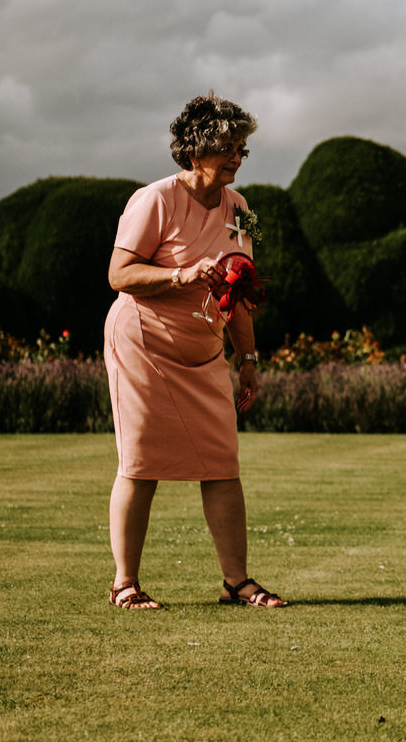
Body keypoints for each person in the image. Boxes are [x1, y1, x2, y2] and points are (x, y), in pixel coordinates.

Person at [102, 93, 287, 609]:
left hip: (205, 348)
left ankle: (238, 583)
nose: (237, 157)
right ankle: (125, 584)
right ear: (196, 149)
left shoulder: (240, 209)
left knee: (222, 461)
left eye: (241, 148)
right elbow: (120, 274)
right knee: (140, 462)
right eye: (228, 147)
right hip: (143, 342)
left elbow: (241, 289)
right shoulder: (154, 200)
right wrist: (181, 273)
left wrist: (247, 361)